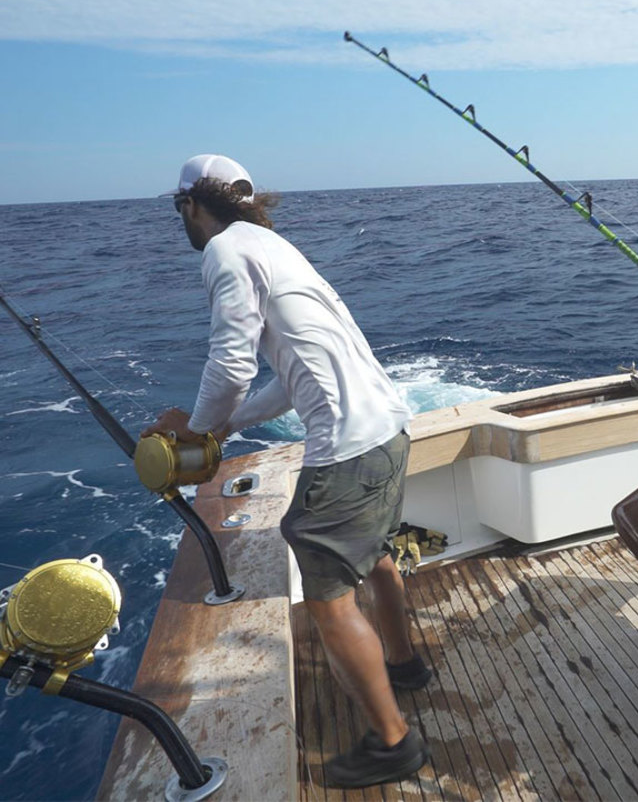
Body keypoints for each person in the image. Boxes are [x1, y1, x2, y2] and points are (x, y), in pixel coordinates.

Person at [142, 154, 432, 788]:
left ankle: (393, 741)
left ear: (193, 203)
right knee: (378, 552)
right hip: (388, 428)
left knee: (329, 599)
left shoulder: (222, 252)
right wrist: (225, 426)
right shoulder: (272, 246)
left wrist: (192, 428)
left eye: (178, 207)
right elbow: (290, 378)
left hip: (348, 449)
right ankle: (405, 666)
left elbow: (231, 365)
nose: (181, 219)